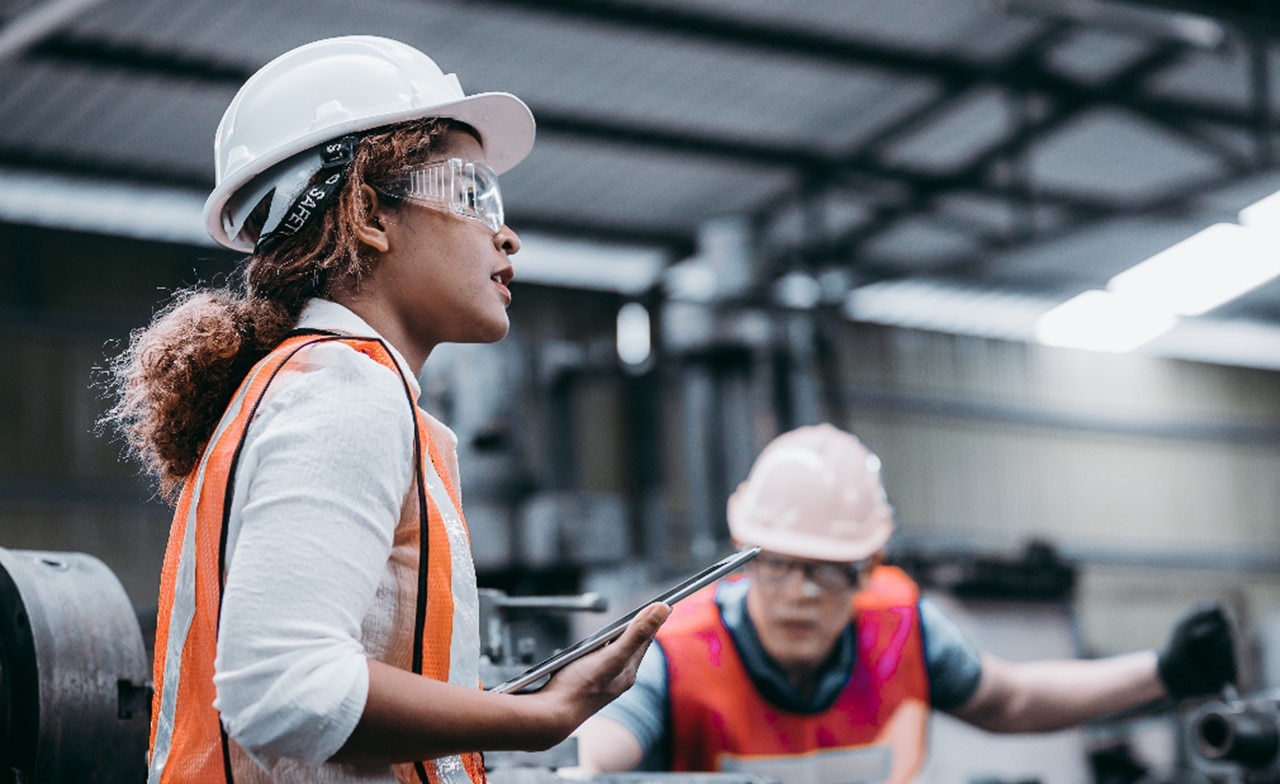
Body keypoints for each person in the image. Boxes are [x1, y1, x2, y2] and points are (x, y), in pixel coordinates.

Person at [101, 35, 668, 783]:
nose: (506, 234)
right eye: (471, 195)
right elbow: (283, 691)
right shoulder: (344, 389)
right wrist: (539, 719)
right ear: (368, 214)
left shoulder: (315, 383)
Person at [572, 423, 1237, 784]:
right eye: (778, 565)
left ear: (867, 570)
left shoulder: (903, 630)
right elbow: (596, 751)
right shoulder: (677, 651)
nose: (801, 591)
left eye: (829, 571)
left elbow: (1012, 700)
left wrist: (1166, 673)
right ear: (745, 559)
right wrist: (572, 765)